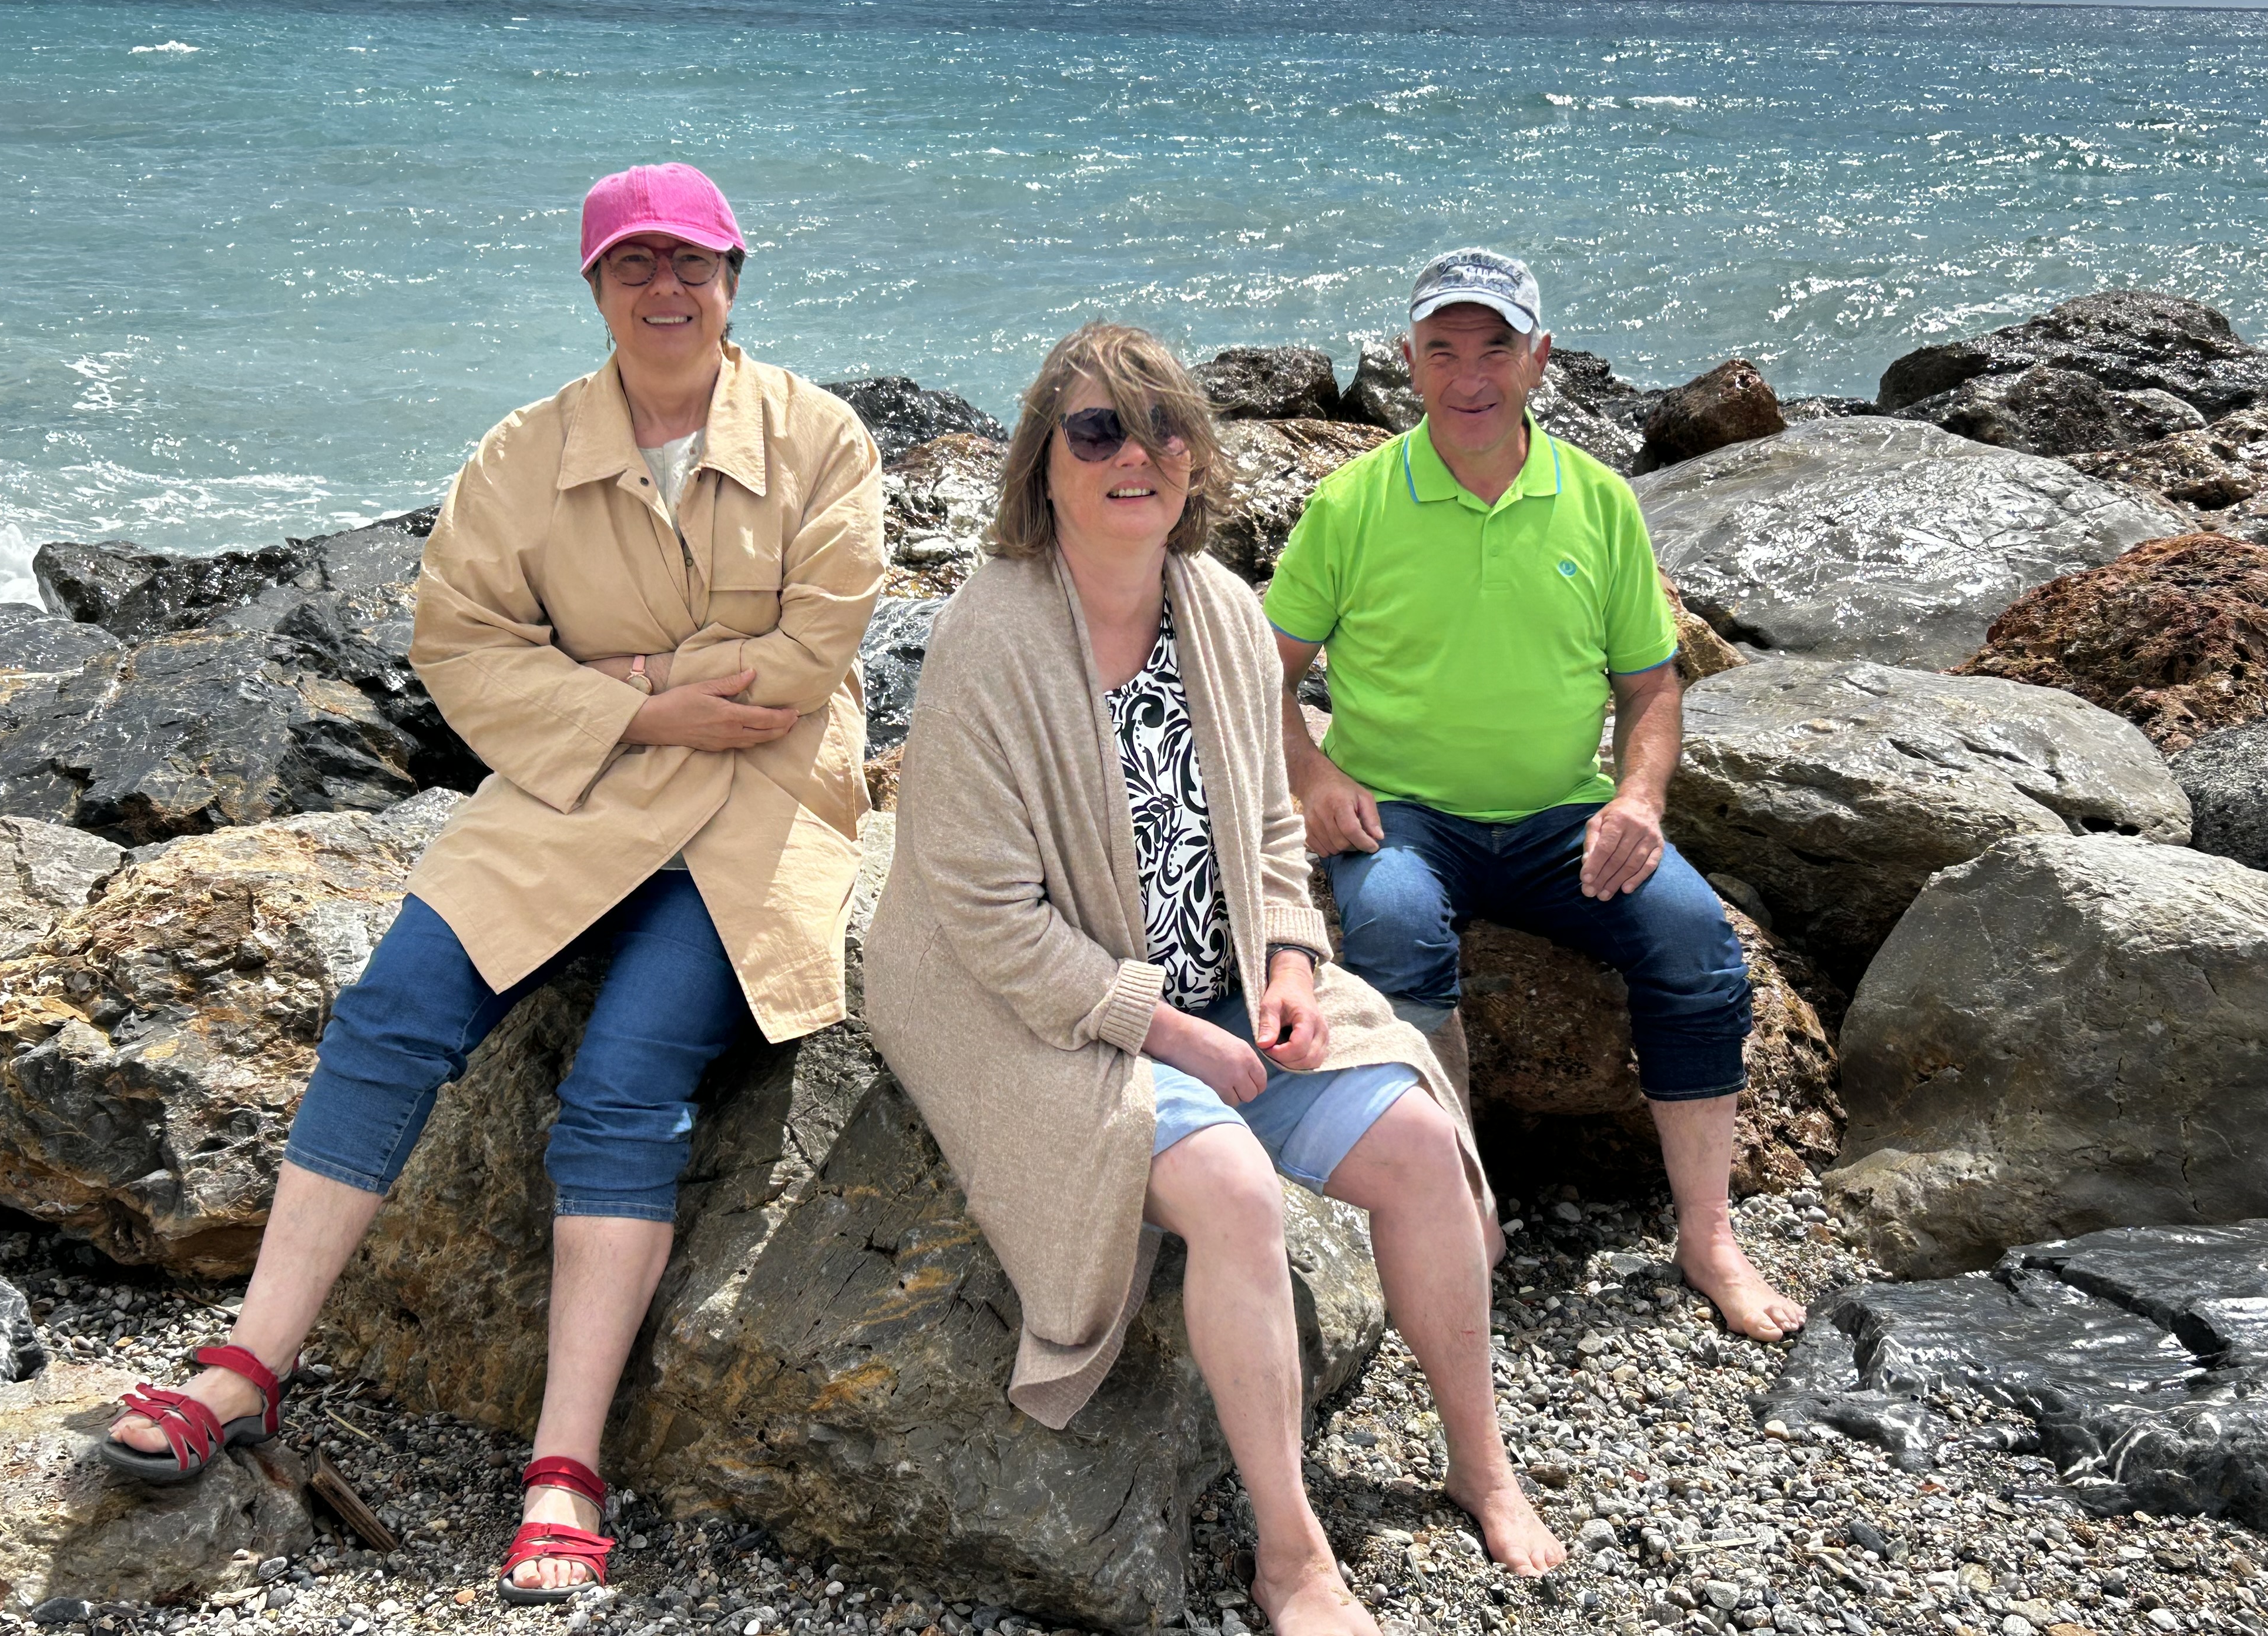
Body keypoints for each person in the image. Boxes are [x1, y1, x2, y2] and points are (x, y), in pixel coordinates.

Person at [98, 163, 886, 1603]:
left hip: (759, 799)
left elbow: (814, 654)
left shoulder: (822, 439)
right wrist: (638, 705)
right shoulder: (522, 455)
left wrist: (612, 673)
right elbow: (461, 650)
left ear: (735, 280)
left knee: (625, 1086)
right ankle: (252, 1360)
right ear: (593, 287)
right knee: (393, 1007)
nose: (668, 290)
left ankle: (565, 1463)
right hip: (590, 782)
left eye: (694, 264)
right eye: (636, 264)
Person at [865, 321, 1565, 1635]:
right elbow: (986, 918)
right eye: (1097, 431)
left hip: (1227, 975)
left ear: (1199, 457)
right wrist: (1178, 1037)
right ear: (1044, 466)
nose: (1139, 454)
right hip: (1039, 1006)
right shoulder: (991, 639)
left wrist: (1292, 957)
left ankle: (1478, 1458)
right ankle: (1293, 1553)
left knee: (1418, 1141)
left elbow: (1271, 833)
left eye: (1166, 426)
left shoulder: (1226, 613)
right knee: (1236, 1188)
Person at [1264, 247, 1804, 1342]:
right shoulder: (1353, 502)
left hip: (1566, 818)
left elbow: (1650, 686)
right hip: (1406, 817)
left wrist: (1639, 803)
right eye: (1444, 349)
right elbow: (1259, 676)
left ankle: (1707, 1235)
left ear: (1540, 358)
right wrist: (1313, 774)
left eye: (1497, 346)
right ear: (1408, 363)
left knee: (1699, 943)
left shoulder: (1597, 502)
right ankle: (1459, 1204)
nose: (1472, 374)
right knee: (1397, 925)